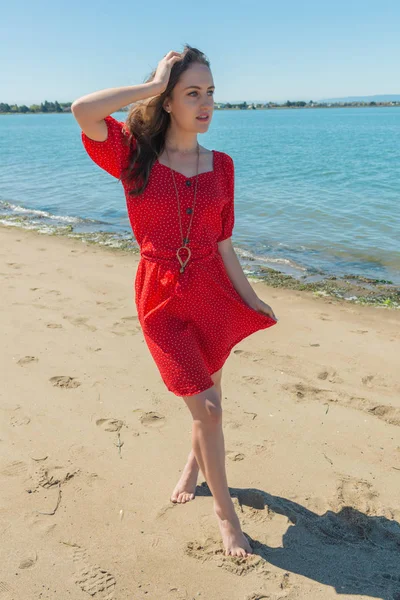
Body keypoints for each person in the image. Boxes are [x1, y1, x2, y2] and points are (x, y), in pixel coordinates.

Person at [71, 45, 278, 558]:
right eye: (192, 93)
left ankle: (192, 466)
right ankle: (226, 515)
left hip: (213, 293)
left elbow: (224, 242)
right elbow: (82, 110)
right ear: (167, 99)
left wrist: (251, 298)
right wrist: (150, 83)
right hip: (159, 297)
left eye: (210, 93)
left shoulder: (222, 166)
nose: (206, 103)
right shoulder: (133, 156)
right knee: (207, 406)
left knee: (210, 403)